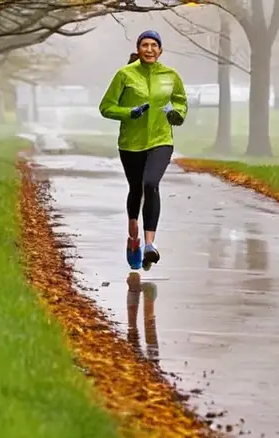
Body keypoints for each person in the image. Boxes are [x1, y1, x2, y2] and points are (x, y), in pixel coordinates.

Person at [98, 30, 187, 271]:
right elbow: (106, 107)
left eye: (154, 45)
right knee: (136, 188)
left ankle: (150, 244)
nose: (149, 49)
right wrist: (129, 112)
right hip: (131, 143)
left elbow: (181, 102)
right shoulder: (125, 75)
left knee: (151, 184)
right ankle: (133, 238)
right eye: (145, 45)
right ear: (138, 49)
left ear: (160, 50)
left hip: (161, 140)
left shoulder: (170, 76)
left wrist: (177, 114)